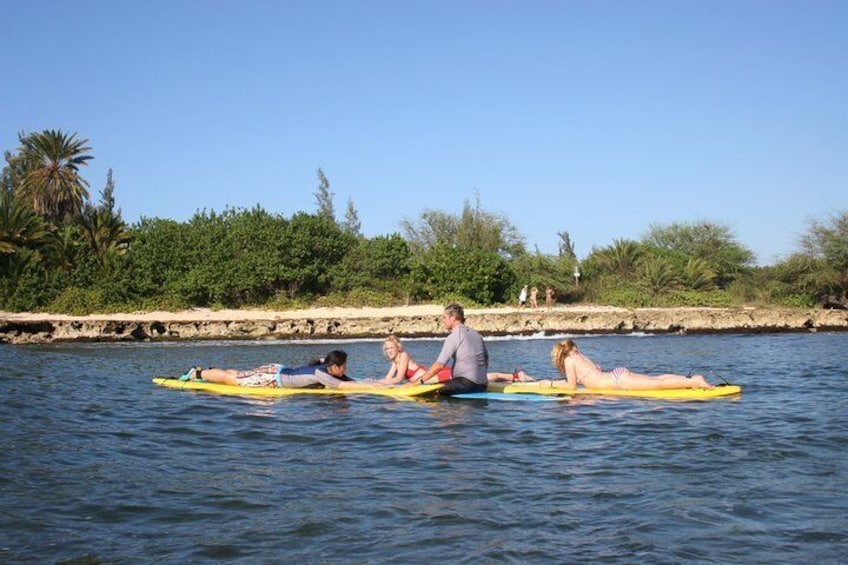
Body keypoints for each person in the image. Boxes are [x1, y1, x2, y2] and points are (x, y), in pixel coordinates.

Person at [531, 339, 713, 391]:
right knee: (655, 379)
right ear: (574, 348)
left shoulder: (570, 361)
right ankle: (688, 379)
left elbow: (571, 387)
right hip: (617, 374)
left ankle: (695, 381)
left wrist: (551, 383)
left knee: (657, 384)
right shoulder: (581, 356)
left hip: (616, 381)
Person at [181, 350, 384, 390]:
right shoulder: (322, 373)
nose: (346, 369)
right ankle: (196, 373)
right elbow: (342, 386)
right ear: (335, 367)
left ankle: (205, 370)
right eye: (344, 365)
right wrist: (374, 388)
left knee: (239, 374)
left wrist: (372, 381)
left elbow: (347, 380)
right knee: (232, 380)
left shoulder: (325, 368)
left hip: (277, 371)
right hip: (272, 377)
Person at [381, 334, 532, 385]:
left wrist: (373, 384)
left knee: (482, 377)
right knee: (480, 377)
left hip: (437, 376)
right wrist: (375, 382)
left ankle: (516, 376)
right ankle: (512, 379)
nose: (389, 352)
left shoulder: (404, 356)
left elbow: (398, 379)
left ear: (398, 347)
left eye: (391, 348)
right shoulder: (395, 361)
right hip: (432, 379)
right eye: (387, 349)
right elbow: (389, 378)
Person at [409, 304, 489, 396]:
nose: (443, 321)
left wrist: (419, 381)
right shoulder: (476, 334)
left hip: (466, 385)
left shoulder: (454, 336)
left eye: (445, 317)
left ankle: (443, 410)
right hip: (483, 385)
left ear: (453, 318)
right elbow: (485, 359)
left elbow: (439, 365)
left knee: (431, 392)